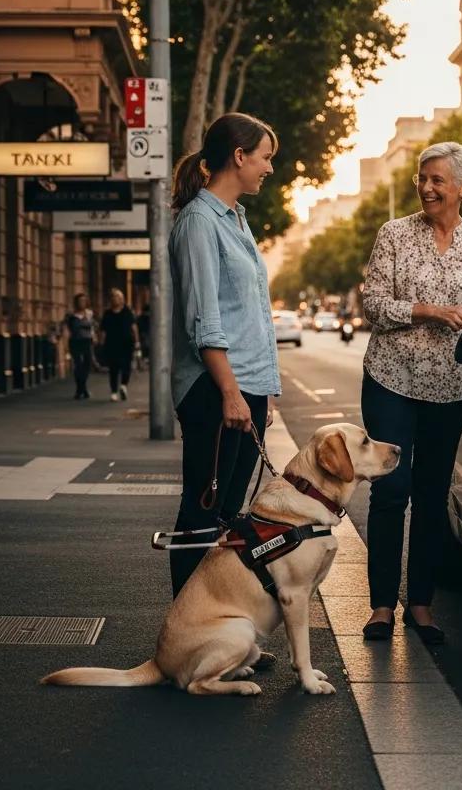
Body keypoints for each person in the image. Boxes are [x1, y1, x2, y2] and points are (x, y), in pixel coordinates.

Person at [360, 141, 462, 645]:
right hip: (391, 379)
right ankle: (381, 605)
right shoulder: (394, 234)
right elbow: (373, 303)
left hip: (451, 389)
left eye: (437, 180)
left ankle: (420, 605)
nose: (426, 188)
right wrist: (427, 310)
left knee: (430, 497)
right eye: (422, 179)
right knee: (391, 490)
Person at [167, 112, 280, 597]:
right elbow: (204, 322)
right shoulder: (198, 221)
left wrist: (260, 394)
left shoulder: (235, 219)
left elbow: (251, 313)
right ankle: (186, 638)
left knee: (227, 520)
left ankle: (216, 625)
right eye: (265, 157)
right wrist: (233, 394)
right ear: (238, 156)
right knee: (201, 512)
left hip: (244, 389)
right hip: (214, 391)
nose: (269, 168)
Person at [99, 288, 139, 401]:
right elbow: (103, 330)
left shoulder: (127, 312)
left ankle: (123, 385)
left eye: (117, 297)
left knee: (126, 365)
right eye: (113, 297)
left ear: (122, 299)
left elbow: (134, 327)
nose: (115, 299)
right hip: (112, 344)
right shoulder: (107, 313)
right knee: (113, 368)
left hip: (126, 343)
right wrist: (101, 343)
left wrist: (137, 342)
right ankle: (113, 391)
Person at [62, 293, 96, 400]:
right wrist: (65, 343)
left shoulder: (90, 314)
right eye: (80, 301)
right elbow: (66, 329)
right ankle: (80, 389)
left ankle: (83, 388)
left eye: (84, 300)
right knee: (78, 364)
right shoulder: (71, 315)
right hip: (75, 341)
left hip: (87, 341)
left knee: (87, 364)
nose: (83, 303)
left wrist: (94, 337)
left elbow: (92, 327)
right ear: (76, 302)